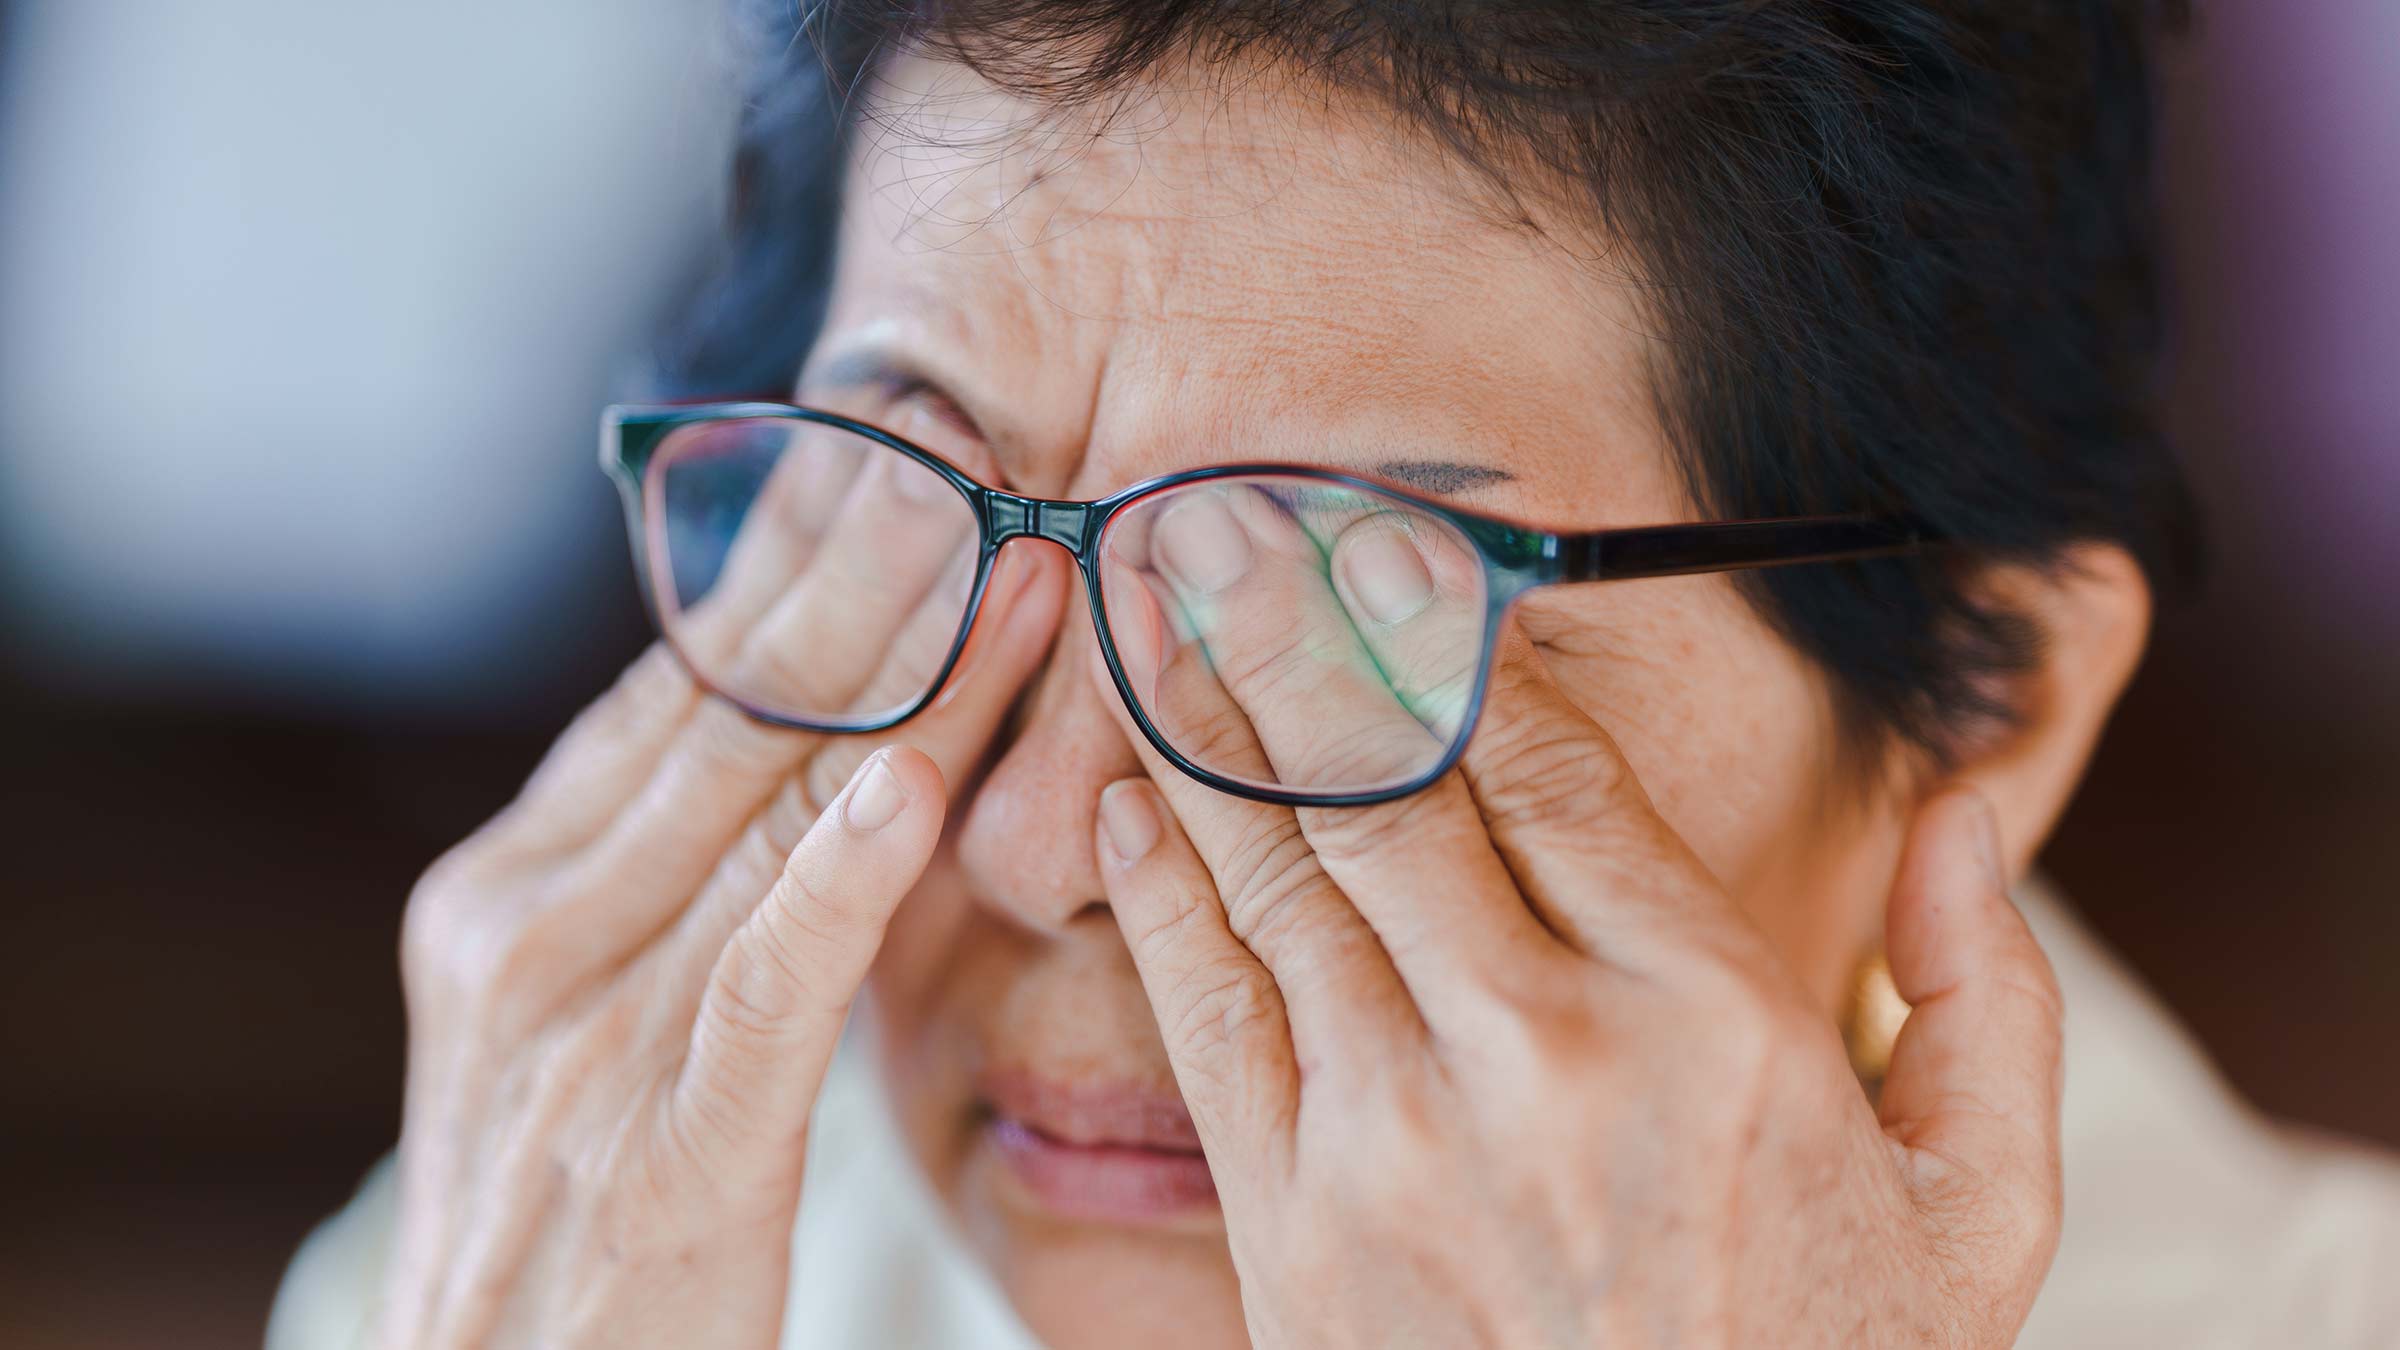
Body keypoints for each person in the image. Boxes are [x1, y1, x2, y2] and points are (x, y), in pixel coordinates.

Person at [270, 2, 2400, 1345]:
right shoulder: (555, 1258)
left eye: (1349, 612)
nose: (1026, 846)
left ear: (1986, 707)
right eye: (919, 514)